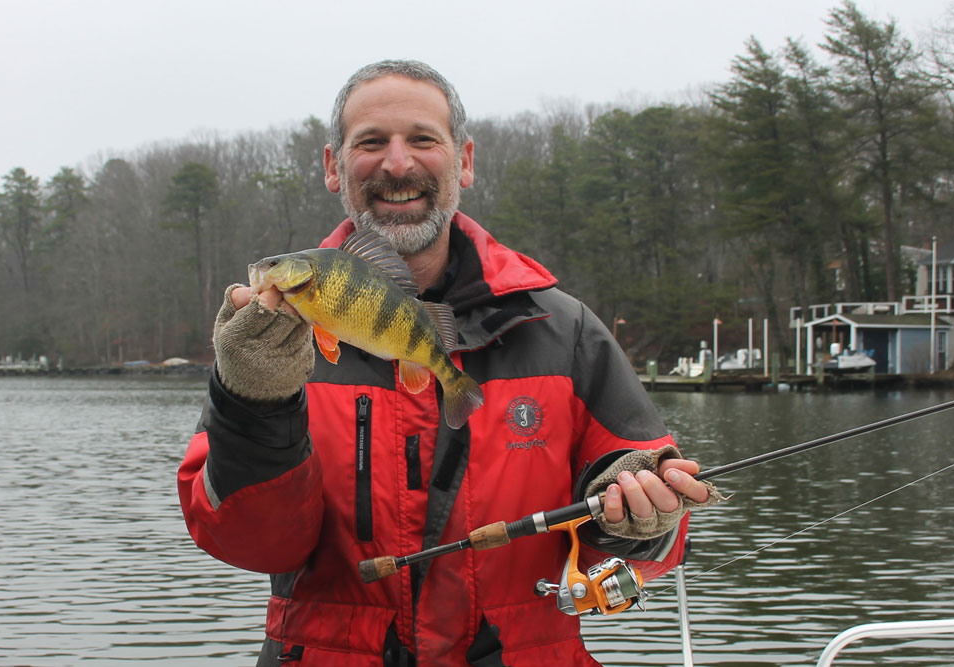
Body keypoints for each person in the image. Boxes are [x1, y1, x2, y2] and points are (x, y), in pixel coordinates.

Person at [178, 60, 719, 667]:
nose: (398, 164)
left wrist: (633, 519)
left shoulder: (564, 332)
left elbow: (653, 549)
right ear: (334, 167)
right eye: (372, 142)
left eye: (422, 140)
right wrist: (255, 400)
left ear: (463, 160)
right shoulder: (272, 340)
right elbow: (250, 542)